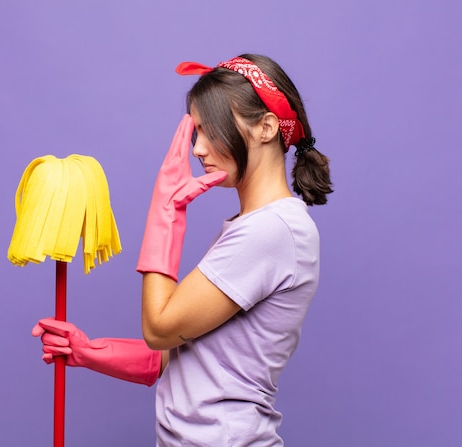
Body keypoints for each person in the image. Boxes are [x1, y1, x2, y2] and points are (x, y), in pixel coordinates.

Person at [32, 53, 333, 446]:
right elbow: (177, 354)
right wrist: (89, 350)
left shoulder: (271, 231)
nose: (198, 149)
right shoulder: (255, 228)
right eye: (197, 133)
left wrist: (166, 211)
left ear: (267, 127)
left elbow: (160, 328)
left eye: (212, 131)